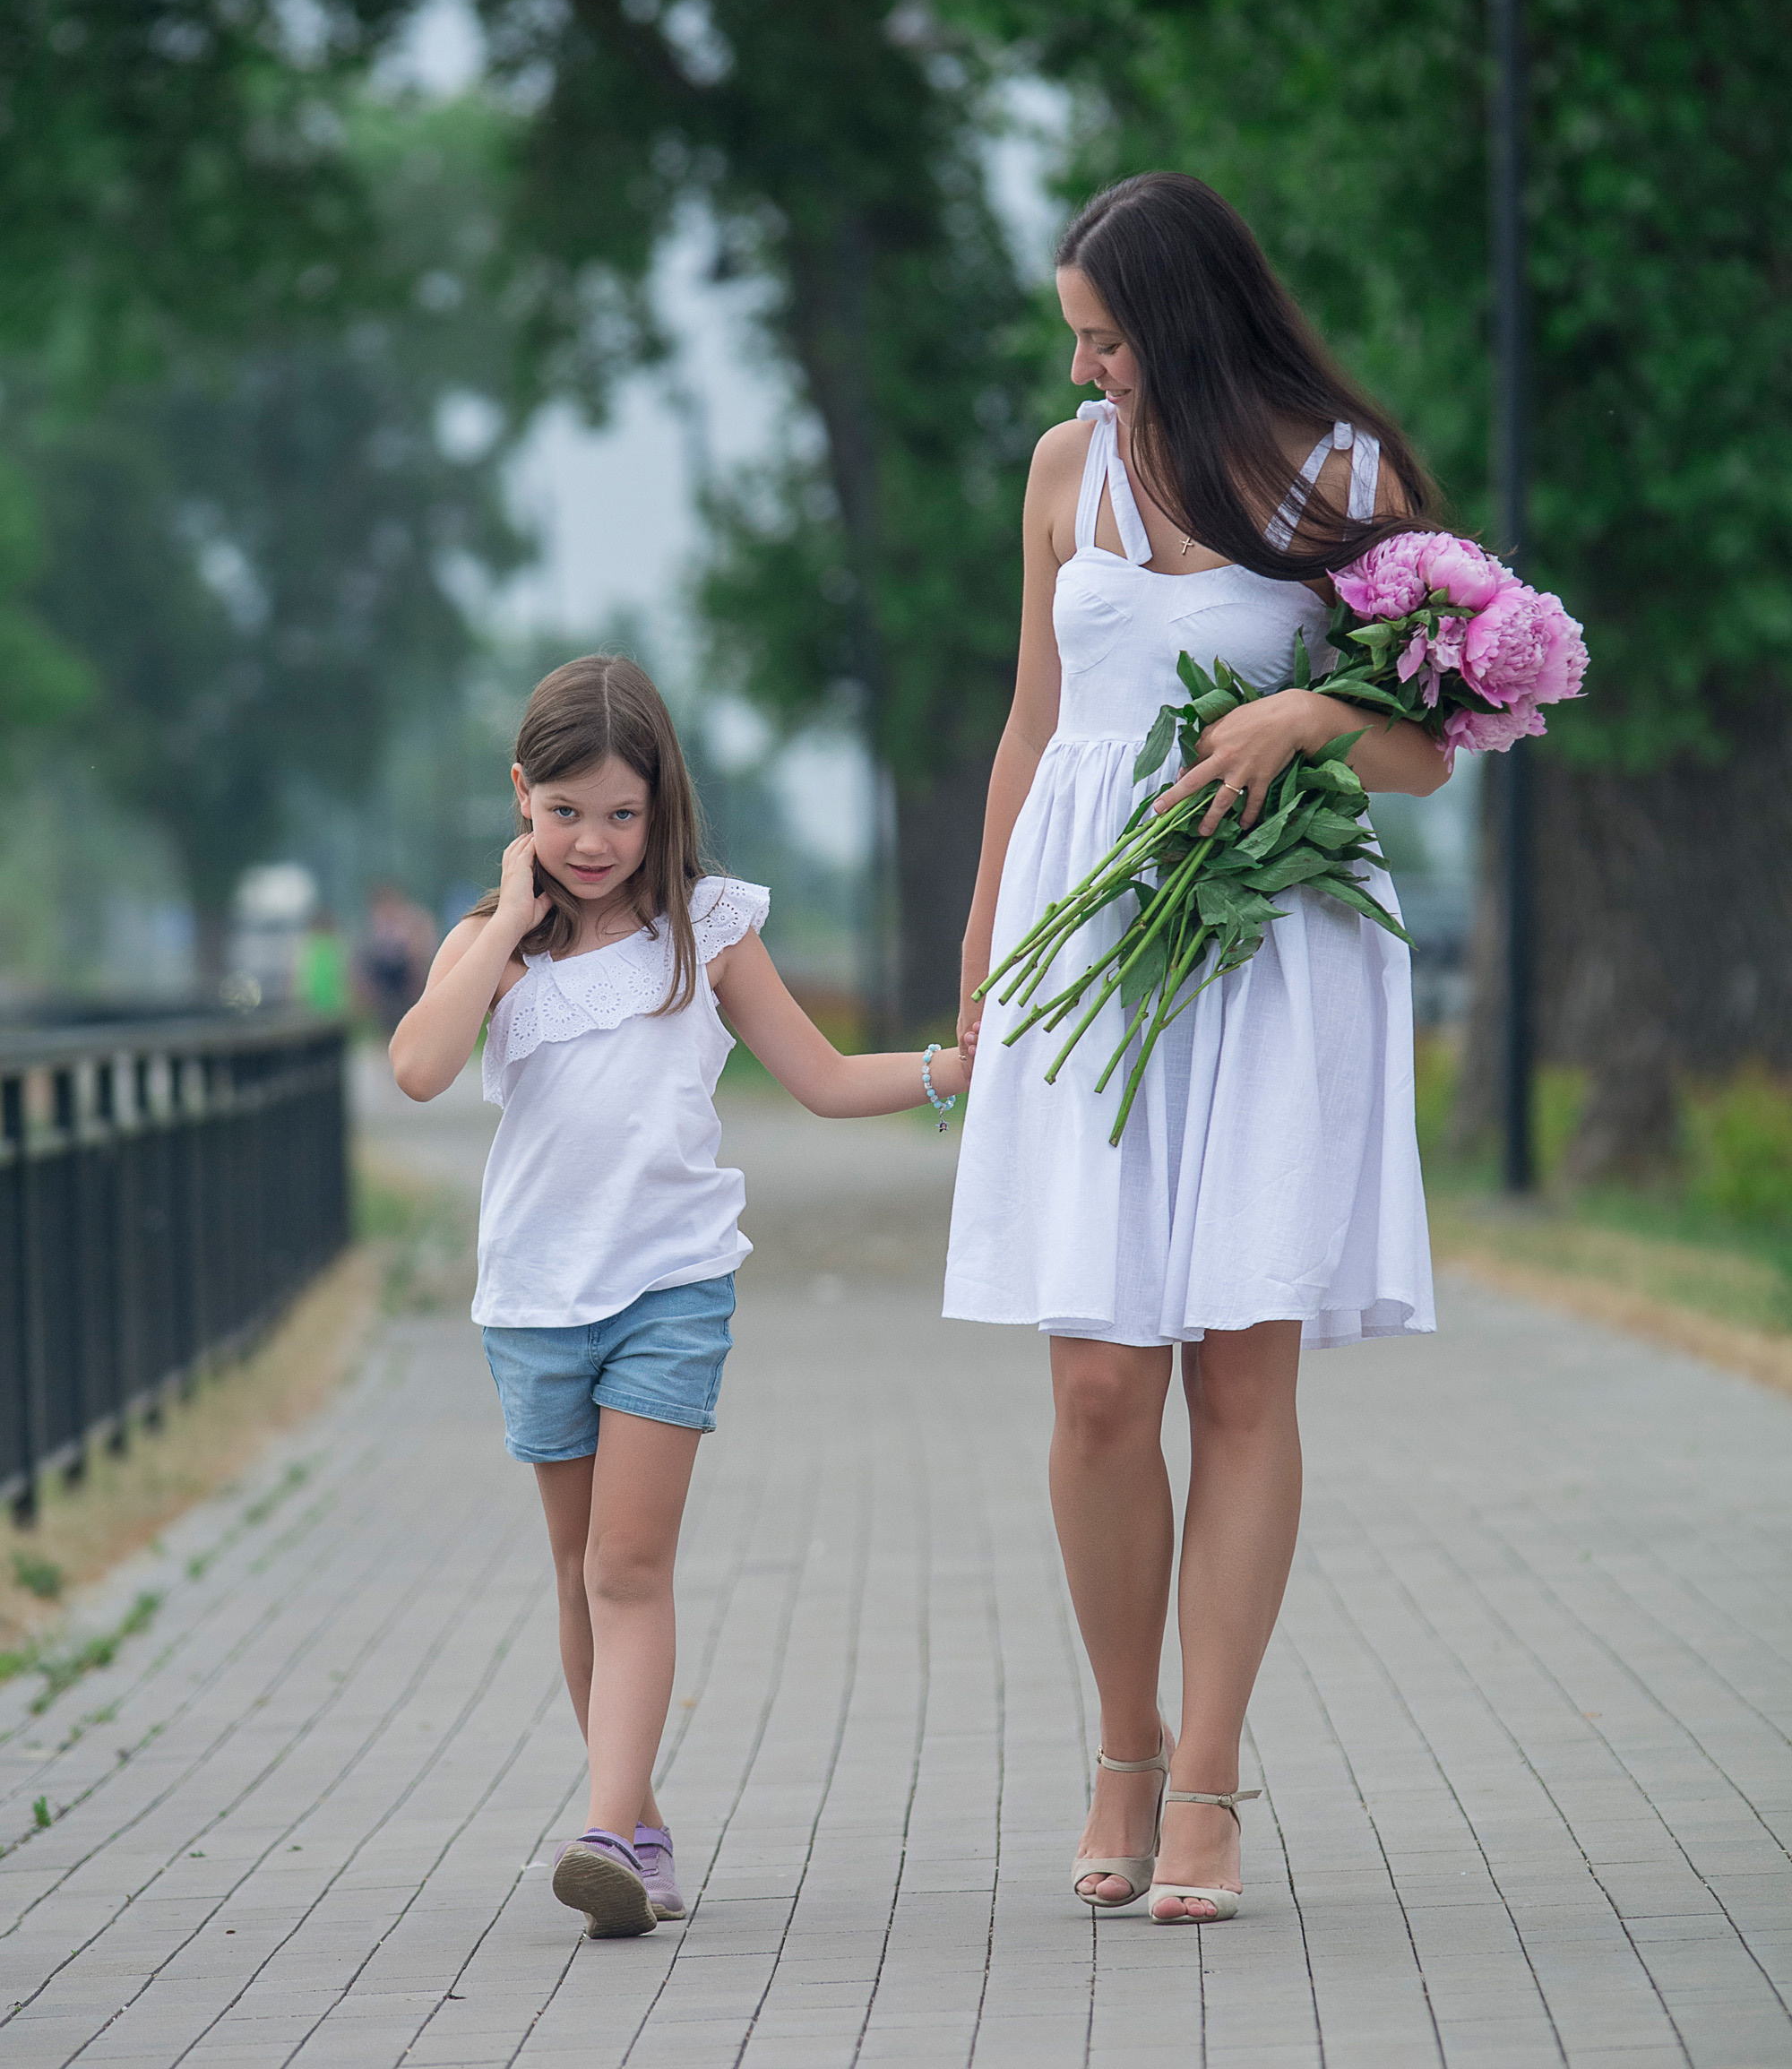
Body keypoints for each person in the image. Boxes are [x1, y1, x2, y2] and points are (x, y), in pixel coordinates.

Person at [946, 174, 1449, 1927]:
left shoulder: (1345, 481)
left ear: (1181, 318)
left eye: (1105, 337)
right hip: (1087, 949)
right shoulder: (1061, 472)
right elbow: (1033, 730)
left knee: (1240, 1378)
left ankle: (1213, 1779)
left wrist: (1304, 712)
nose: (1086, 368)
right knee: (1098, 1388)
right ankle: (1123, 1744)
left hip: (1268, 955)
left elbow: (1425, 749)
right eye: (1075, 339)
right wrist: (983, 949)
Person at [390, 654, 969, 1941]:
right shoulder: (495, 949)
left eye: (621, 813)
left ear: (662, 805)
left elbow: (821, 1078)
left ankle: (603, 1831)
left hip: (669, 1288)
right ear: (521, 798)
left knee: (627, 1565)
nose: (593, 842)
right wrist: (504, 918)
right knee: (574, 1572)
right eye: (564, 813)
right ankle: (637, 1827)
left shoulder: (708, 928)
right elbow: (419, 1067)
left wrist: (958, 1068)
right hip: (536, 1299)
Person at [357, 884, 438, 1039]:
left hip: (407, 973)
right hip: (386, 977)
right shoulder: (377, 923)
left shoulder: (412, 919)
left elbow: (422, 950)